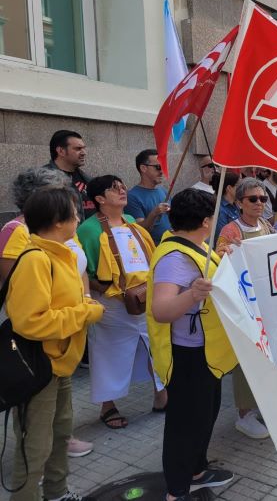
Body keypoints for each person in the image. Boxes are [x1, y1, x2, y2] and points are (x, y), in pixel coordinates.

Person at [6, 186, 104, 501]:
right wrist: (84, 313)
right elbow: (30, 321)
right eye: (75, 213)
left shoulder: (60, 255)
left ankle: (57, 493)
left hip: (59, 365)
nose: (79, 218)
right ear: (58, 221)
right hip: (39, 368)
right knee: (35, 445)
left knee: (60, 435)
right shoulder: (36, 259)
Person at [147, 188, 237, 500]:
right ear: (205, 221)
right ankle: (176, 491)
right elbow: (162, 310)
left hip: (206, 353)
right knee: (185, 424)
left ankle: (196, 471)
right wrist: (193, 294)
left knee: (205, 414)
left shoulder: (196, 247)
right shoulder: (175, 258)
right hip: (187, 355)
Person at [78, 175, 167, 430]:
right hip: (112, 303)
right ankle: (108, 405)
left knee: (154, 345)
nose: (121, 190)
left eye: (122, 185)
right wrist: (105, 291)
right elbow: (86, 271)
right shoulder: (88, 229)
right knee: (107, 351)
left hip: (144, 295)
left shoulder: (130, 222)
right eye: (113, 188)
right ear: (99, 199)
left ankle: (161, 395)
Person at [216, 178, 275, 438]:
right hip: (245, 304)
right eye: (253, 199)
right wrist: (226, 252)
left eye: (263, 199)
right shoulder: (231, 230)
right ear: (239, 202)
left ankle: (262, 402)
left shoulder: (265, 225)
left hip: (265, 302)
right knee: (246, 358)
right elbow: (218, 258)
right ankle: (244, 414)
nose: (259, 203)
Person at [44, 130, 94, 221]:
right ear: (61, 151)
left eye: (84, 148)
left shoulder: (89, 180)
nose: (84, 153)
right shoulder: (42, 181)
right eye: (78, 149)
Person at [126, 149, 172, 245]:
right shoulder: (132, 196)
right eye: (158, 167)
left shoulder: (163, 191)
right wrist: (154, 213)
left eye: (163, 166)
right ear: (143, 168)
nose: (162, 171)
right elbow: (139, 230)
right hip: (152, 250)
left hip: (170, 246)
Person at [210, 171, 241, 245]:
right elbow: (221, 236)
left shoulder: (236, 204)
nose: (241, 189)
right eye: (239, 186)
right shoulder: (219, 209)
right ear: (229, 188)